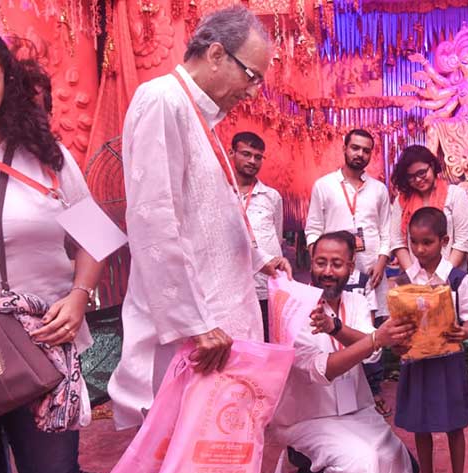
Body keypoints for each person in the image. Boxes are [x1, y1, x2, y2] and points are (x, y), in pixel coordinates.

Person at [109, 6, 291, 430]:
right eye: (251, 76)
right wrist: (195, 323)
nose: (252, 92)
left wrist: (261, 257)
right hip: (194, 335)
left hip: (216, 327)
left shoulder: (197, 113)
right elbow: (155, 222)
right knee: (182, 472)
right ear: (214, 54)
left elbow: (209, 214)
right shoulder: (162, 100)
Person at [0, 23, 104, 473]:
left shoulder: (46, 157)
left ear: (8, 83)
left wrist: (78, 297)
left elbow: (93, 236)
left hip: (39, 344)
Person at [266, 231, 417, 473]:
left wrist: (340, 329)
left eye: (336, 264)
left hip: (356, 410)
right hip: (309, 417)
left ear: (350, 266)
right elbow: (320, 370)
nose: (327, 271)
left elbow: (372, 354)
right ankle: (307, 470)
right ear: (310, 262)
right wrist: (374, 339)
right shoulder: (294, 305)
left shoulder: (357, 302)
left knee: (407, 469)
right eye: (320, 262)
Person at [394, 207, 468, 473]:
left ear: (444, 241)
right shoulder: (405, 280)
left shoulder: (457, 279)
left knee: (454, 425)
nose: (419, 250)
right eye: (414, 242)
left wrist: (465, 331)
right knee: (421, 424)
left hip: (447, 363)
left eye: (427, 242)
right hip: (417, 363)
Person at [305, 128, 392, 414]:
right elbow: (313, 230)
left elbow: (385, 230)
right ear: (344, 148)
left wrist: (381, 262)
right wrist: (322, 265)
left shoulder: (378, 189)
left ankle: (372, 391)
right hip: (336, 275)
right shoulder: (324, 185)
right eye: (355, 148)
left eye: (366, 150)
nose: (360, 154)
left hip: (370, 274)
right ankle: (332, 394)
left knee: (369, 330)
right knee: (333, 327)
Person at [230, 131, 283, 342]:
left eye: (258, 156)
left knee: (268, 343)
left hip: (265, 288)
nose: (252, 161)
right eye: (246, 154)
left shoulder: (272, 197)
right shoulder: (220, 193)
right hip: (232, 290)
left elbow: (277, 237)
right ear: (232, 153)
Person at [389, 144, 468, 270]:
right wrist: (414, 275)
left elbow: (464, 240)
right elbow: (397, 241)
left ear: (432, 166)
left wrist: (442, 274)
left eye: (422, 173)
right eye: (411, 177)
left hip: (452, 274)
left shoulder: (455, 195)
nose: (418, 180)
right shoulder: (401, 200)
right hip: (414, 277)